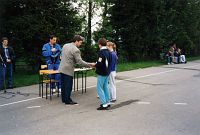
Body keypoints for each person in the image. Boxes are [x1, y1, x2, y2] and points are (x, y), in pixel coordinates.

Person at [58, 35, 95, 105]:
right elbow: (80, 62)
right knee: (68, 86)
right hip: (68, 69)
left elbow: (61, 56)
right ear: (76, 41)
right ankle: (68, 101)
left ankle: (64, 99)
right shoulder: (76, 50)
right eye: (80, 42)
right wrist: (90, 64)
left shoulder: (65, 45)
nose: (80, 44)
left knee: (63, 85)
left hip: (61, 68)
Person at [95, 38, 112, 110]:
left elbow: (99, 63)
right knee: (105, 87)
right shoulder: (109, 52)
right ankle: (108, 102)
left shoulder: (101, 52)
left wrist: (94, 65)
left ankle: (104, 104)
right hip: (107, 72)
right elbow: (110, 62)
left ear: (100, 45)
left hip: (102, 73)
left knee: (99, 88)